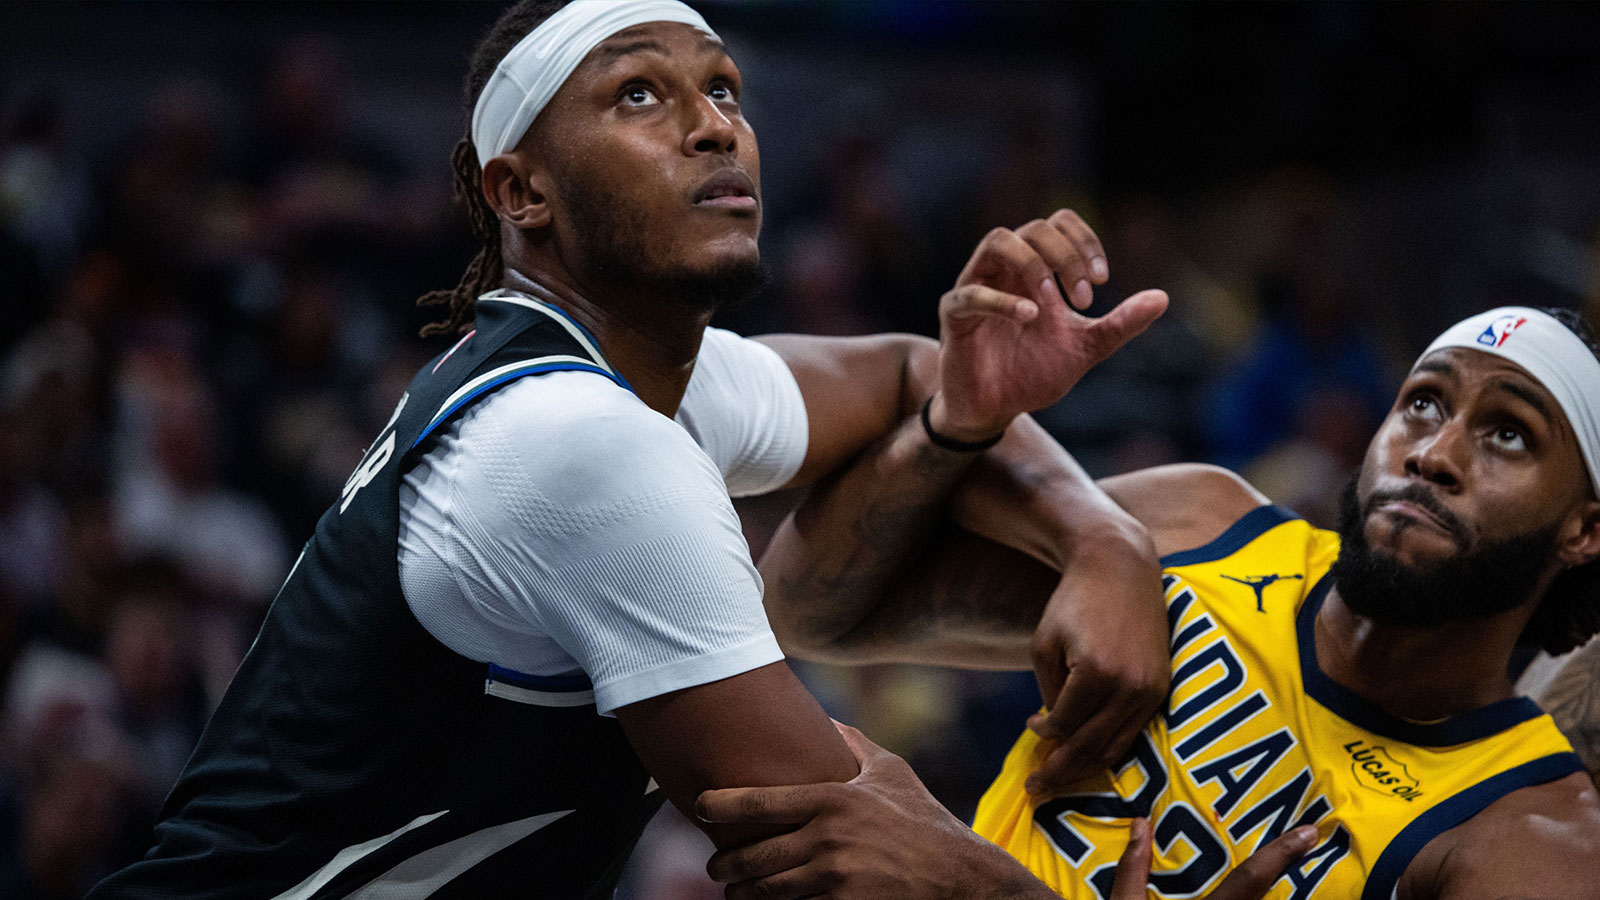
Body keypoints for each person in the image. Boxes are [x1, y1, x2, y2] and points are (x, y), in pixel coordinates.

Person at [87, 1, 1176, 897]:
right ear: (521, 194)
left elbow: (916, 374)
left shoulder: (649, 381)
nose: (714, 126)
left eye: (724, 90)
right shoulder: (579, 445)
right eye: (639, 93)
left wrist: (1104, 540)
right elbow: (845, 852)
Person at [701, 306, 1600, 899]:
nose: (1434, 452)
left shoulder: (1533, 839)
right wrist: (1082, 530)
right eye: (1422, 402)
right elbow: (815, 608)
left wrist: (973, 883)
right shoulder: (1206, 525)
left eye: (1508, 435)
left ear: (1584, 530)